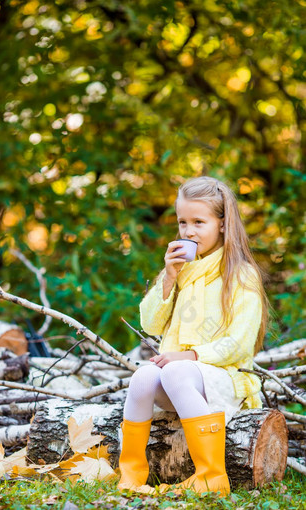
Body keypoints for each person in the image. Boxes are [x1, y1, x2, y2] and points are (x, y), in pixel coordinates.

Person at [117, 176, 270, 496]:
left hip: (225, 380)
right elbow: (151, 324)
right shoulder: (182, 268)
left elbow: (239, 344)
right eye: (182, 222)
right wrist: (169, 278)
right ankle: (132, 472)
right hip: (182, 379)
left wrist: (188, 356)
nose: (188, 232)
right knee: (142, 378)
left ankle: (211, 476)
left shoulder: (240, 273)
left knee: (174, 370)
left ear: (223, 224)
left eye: (199, 222)